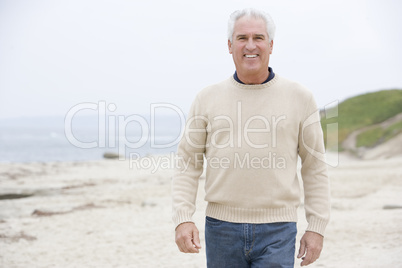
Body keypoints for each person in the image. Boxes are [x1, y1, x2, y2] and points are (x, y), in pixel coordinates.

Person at [172, 8, 330, 267]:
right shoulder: (206, 98)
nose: (250, 45)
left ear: (270, 44)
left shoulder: (300, 97)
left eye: (258, 37)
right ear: (229, 45)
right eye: (242, 38)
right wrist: (183, 218)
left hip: (279, 229)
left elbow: (315, 168)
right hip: (221, 229)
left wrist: (317, 227)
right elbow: (187, 162)